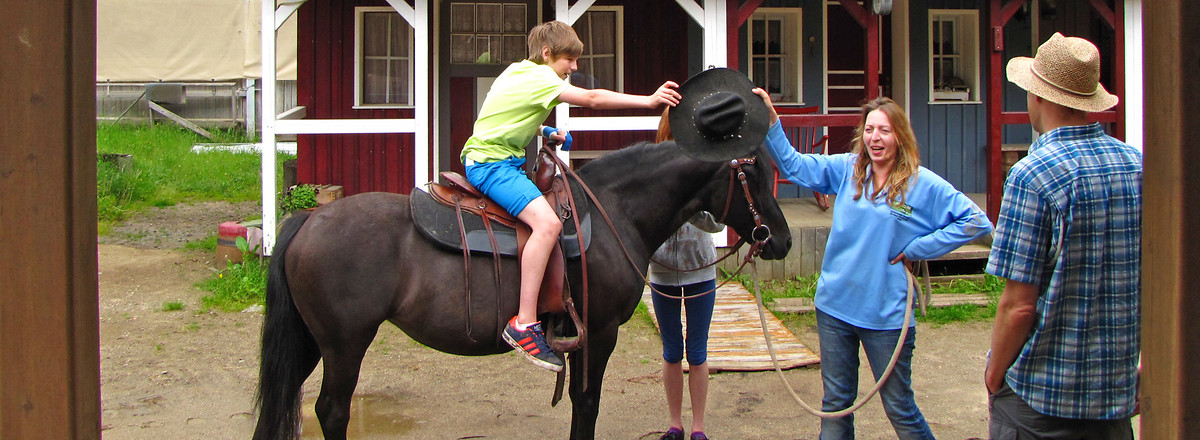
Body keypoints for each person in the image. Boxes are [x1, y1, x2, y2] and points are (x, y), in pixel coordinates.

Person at [752, 90, 993, 439]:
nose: (875, 138)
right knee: (835, 405)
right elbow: (794, 166)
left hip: (886, 317)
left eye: (884, 131)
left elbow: (975, 221)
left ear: (900, 136)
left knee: (899, 407)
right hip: (834, 308)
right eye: (869, 130)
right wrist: (772, 119)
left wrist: (919, 247)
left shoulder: (921, 184)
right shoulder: (848, 170)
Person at [460, 20, 680, 372]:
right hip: (492, 165)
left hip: (495, 158)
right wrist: (649, 100)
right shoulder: (541, 78)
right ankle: (524, 323)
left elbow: (508, 115)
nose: (574, 68)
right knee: (546, 225)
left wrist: (546, 129)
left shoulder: (517, 73)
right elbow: (592, 98)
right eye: (569, 60)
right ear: (547, 54)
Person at [984, 32, 1141, 439]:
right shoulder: (1137, 167)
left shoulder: (1032, 175)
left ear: (1038, 97)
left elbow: (1018, 306)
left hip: (1040, 397)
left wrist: (994, 375)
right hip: (1113, 397)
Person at [649, 108, 722, 440]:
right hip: (662, 271)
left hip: (701, 269)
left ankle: (699, 429)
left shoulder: (706, 166)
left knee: (698, 351)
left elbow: (718, 222)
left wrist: (688, 206)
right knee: (671, 351)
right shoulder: (654, 168)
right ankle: (675, 424)